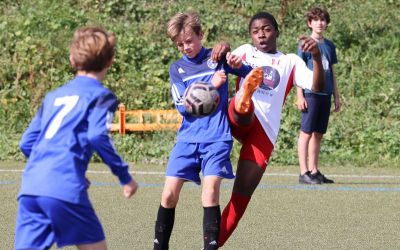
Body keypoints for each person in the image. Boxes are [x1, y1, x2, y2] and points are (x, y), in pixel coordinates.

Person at [15, 27, 139, 250]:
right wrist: (124, 177)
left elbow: (26, 143)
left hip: (31, 188)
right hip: (64, 189)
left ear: (72, 59)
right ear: (110, 61)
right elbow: (96, 135)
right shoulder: (102, 96)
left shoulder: (54, 96)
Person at [217, 12, 326, 247]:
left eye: (266, 29)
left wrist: (316, 56)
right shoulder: (245, 51)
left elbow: (317, 86)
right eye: (255, 32)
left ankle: (212, 245)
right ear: (250, 36)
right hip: (238, 118)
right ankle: (245, 97)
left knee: (241, 197)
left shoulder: (290, 62)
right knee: (242, 107)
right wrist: (224, 51)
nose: (261, 35)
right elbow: (220, 64)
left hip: (264, 132)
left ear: (276, 31)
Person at [152, 11, 254, 250]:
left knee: (210, 193)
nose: (185, 47)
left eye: (189, 41)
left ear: (201, 35)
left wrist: (240, 65)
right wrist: (211, 85)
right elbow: (182, 107)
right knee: (168, 195)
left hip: (217, 138)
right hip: (187, 139)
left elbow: (250, 75)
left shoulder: (217, 58)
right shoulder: (177, 69)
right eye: (180, 44)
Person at [296, 7, 341, 184]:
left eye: (323, 20)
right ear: (310, 23)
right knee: (306, 133)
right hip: (310, 93)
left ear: (326, 23)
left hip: (325, 94)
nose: (319, 23)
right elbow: (298, 70)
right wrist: (300, 95)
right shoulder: (304, 44)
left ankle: (314, 170)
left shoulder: (329, 45)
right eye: (316, 20)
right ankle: (303, 172)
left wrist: (336, 95)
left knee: (318, 134)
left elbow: (332, 71)